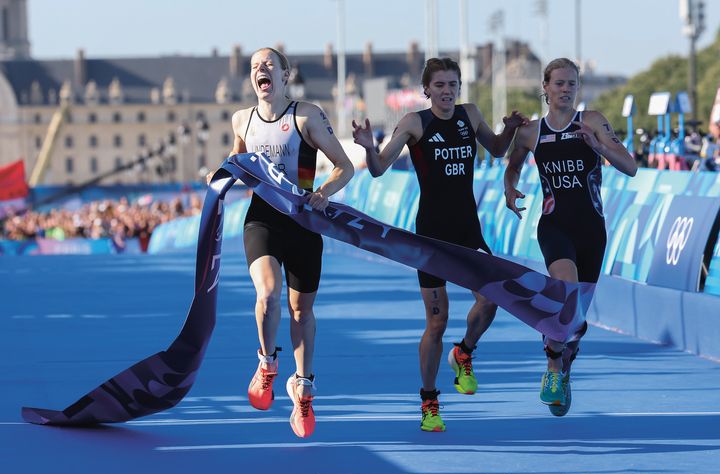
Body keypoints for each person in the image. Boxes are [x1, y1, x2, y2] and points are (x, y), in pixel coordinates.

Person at [352, 57, 527, 432]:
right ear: (426, 90)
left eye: (453, 85)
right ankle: (429, 401)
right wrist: (369, 146)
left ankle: (463, 352)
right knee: (436, 322)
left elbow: (496, 150)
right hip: (431, 237)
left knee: (491, 298)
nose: (448, 92)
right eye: (441, 86)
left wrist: (509, 129)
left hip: (467, 230)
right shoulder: (416, 122)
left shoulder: (470, 115)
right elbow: (380, 168)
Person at [226, 47, 354, 437]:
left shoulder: (306, 115)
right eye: (254, 67)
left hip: (303, 222)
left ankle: (303, 387)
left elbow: (344, 167)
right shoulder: (241, 120)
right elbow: (236, 163)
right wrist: (220, 180)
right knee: (268, 294)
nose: (260, 71)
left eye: (269, 65)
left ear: (285, 75)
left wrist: (324, 192)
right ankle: (267, 364)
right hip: (262, 220)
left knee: (301, 312)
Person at [503, 57, 637, 416]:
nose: (565, 90)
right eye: (558, 83)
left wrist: (600, 147)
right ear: (545, 88)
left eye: (571, 84)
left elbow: (631, 167)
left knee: (573, 321)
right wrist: (509, 189)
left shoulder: (591, 122)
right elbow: (512, 165)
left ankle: (564, 369)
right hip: (554, 225)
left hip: (592, 230)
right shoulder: (531, 132)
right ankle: (551, 367)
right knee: (564, 293)